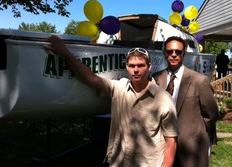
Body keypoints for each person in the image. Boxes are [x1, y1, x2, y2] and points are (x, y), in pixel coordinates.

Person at [43, 35, 178, 167]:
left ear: (149, 67)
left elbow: (171, 141)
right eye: (132, 66)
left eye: (140, 65)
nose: (135, 70)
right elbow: (90, 78)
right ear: (127, 67)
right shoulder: (118, 88)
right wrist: (66, 53)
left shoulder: (163, 98)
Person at [152, 36, 219, 167]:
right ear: (164, 54)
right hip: (162, 145)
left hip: (191, 146)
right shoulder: (156, 79)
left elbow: (212, 114)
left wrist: (195, 131)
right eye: (169, 51)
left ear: (184, 54)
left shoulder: (199, 80)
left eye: (178, 52)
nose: (173, 55)